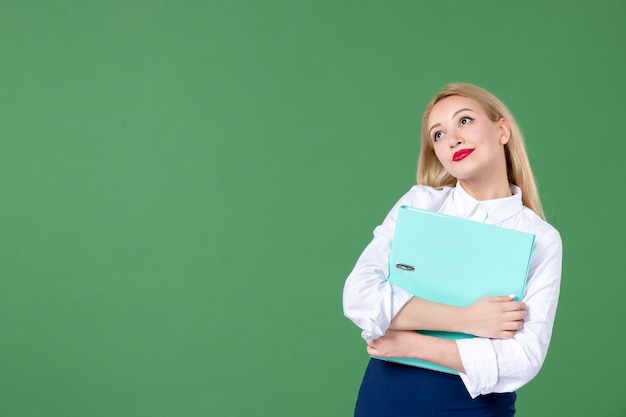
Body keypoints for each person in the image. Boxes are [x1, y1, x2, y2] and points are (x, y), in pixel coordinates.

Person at [342, 82, 562, 416]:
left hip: (475, 406)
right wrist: (468, 318)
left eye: (464, 121)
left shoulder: (539, 237)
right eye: (438, 134)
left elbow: (524, 358)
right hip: (386, 395)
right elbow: (358, 297)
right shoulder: (419, 206)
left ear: (502, 129)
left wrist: (414, 343)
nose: (453, 139)